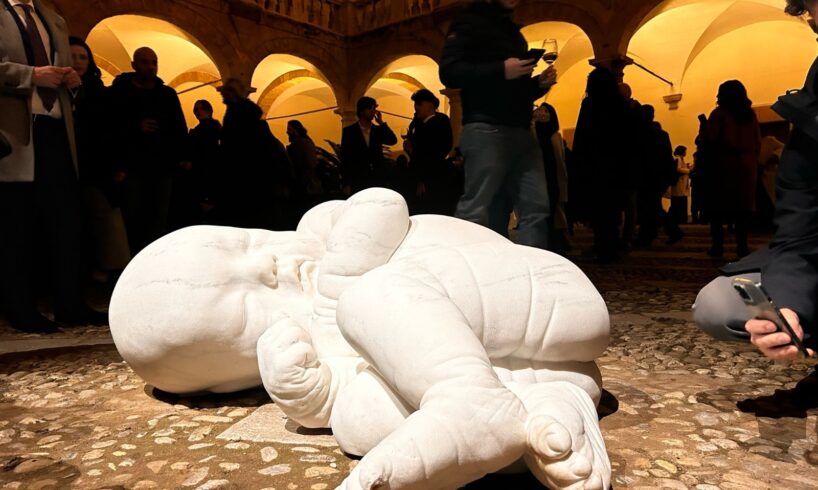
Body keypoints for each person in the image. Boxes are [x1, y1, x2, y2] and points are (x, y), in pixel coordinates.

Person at [109, 188, 611, 490]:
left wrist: (336, 292)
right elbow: (347, 383)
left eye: (242, 243)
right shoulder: (315, 345)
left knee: (370, 298)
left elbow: (382, 204)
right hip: (540, 364)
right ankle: (551, 415)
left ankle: (471, 402)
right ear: (235, 382)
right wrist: (320, 397)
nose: (265, 266)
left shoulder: (324, 233)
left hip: (543, 299)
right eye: (244, 307)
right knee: (358, 418)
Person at [694, 0, 818, 361]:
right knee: (718, 301)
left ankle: (723, 243)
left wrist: (706, 130)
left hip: (726, 172)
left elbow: (714, 142)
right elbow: (799, 234)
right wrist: (790, 304)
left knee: (725, 215)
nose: (811, 19)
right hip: (743, 172)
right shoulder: (778, 116)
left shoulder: (722, 115)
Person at [0, 1, 110, 333]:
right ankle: (21, 309)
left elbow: (59, 70)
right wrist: (31, 75)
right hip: (14, 131)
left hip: (57, 129)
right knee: (16, 227)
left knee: (65, 223)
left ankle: (70, 303)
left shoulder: (53, 18)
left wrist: (70, 80)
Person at [439, 0, 557, 248]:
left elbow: (513, 88)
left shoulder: (513, 31)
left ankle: (533, 276)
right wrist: (500, 69)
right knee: (477, 209)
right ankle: (468, 273)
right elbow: (449, 72)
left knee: (536, 209)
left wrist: (537, 85)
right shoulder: (469, 21)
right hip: (486, 128)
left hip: (522, 130)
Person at [108, 47, 188, 254]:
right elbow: (109, 126)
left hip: (161, 167)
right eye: (144, 62)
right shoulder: (120, 92)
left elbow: (179, 127)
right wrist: (135, 127)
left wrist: (179, 157)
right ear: (134, 65)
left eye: (154, 62)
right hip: (131, 167)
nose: (150, 67)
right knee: (131, 215)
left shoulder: (167, 94)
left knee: (158, 218)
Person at [69, 36, 131, 284]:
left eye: (83, 57)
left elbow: (114, 130)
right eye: (72, 56)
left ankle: (105, 271)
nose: (78, 62)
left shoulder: (99, 93)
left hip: (98, 167)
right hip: (68, 165)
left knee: (103, 216)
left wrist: (119, 165)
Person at [216, 78, 292, 230]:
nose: (222, 96)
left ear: (233, 93)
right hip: (253, 181)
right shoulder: (244, 116)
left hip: (248, 180)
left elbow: (237, 150)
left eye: (226, 92)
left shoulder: (239, 118)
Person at [572, 67, 629, 262]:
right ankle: (611, 246)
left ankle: (602, 245)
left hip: (594, 165)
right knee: (612, 210)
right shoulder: (621, 105)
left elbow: (581, 137)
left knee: (598, 210)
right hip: (616, 164)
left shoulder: (589, 104)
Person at [700, 80, 761, 258]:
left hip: (724, 164)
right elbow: (757, 141)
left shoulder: (719, 114)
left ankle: (717, 246)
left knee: (718, 208)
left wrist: (703, 128)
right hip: (747, 164)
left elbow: (710, 138)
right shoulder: (750, 115)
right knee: (742, 210)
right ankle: (742, 246)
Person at [170, 99, 221, 229]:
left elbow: (205, 151)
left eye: (200, 109)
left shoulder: (208, 129)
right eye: (195, 110)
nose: (197, 112)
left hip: (203, 171)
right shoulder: (206, 129)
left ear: (208, 110)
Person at [404, 88, 454, 215]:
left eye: (419, 104)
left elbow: (434, 151)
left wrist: (423, 179)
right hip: (416, 176)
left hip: (432, 178)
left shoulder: (440, 121)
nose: (416, 107)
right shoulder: (418, 124)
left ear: (430, 105)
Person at [339, 97, 398, 195]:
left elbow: (392, 140)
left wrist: (382, 123)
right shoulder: (350, 131)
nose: (374, 111)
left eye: (374, 108)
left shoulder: (377, 130)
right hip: (359, 179)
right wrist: (346, 183)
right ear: (362, 111)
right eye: (371, 108)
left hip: (377, 178)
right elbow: (345, 157)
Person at [533, 101, 570, 253]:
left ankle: (555, 244)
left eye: (547, 111)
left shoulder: (556, 136)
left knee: (553, 212)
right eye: (540, 110)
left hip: (553, 179)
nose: (542, 113)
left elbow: (561, 162)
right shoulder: (531, 133)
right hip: (536, 180)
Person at [286, 119, 323, 212]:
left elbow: (310, 163)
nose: (287, 132)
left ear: (296, 130)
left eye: (289, 129)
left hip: (306, 185)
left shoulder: (303, 143)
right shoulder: (302, 143)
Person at [668, 145, 691, 224]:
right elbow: (678, 169)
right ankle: (680, 219)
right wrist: (688, 170)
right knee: (679, 202)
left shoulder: (679, 159)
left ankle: (679, 218)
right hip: (679, 183)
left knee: (679, 202)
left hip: (681, 184)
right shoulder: (678, 159)